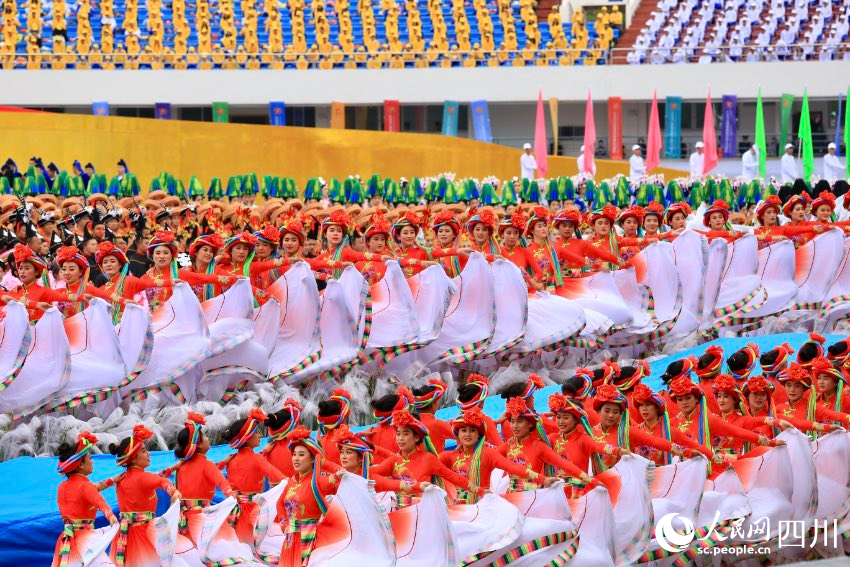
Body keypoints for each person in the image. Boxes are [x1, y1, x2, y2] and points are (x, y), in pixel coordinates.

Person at [109, 425, 181, 567]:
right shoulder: (143, 477)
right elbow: (162, 481)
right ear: (133, 459)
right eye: (143, 451)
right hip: (144, 534)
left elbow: (159, 477)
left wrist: (172, 470)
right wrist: (173, 491)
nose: (149, 454)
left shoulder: (121, 479)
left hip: (124, 536)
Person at [53, 432, 119, 567]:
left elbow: (92, 489)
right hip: (85, 538)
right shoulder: (85, 486)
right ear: (80, 465)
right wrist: (110, 515)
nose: (92, 460)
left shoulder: (62, 487)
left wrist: (112, 480)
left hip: (67, 538)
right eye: (89, 457)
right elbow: (99, 501)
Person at [278, 427, 341, 567]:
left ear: (313, 459)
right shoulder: (291, 482)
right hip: (291, 539)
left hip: (311, 539)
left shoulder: (317, 482)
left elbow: (339, 475)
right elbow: (280, 504)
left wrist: (323, 462)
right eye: (294, 454)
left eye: (301, 454)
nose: (296, 458)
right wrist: (284, 525)